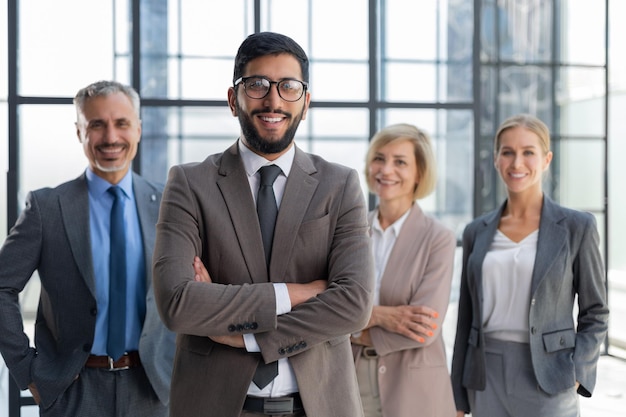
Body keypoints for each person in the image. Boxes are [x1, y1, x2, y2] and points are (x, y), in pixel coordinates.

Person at [152, 31, 374, 417]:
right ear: (233, 99)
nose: (273, 100)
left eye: (288, 86)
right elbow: (177, 303)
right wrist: (297, 293)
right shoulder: (189, 183)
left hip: (319, 405)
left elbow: (354, 305)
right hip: (214, 406)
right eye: (257, 85)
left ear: (306, 103)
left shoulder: (340, 185)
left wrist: (246, 339)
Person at [0, 80, 176, 417]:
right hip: (73, 392)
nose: (111, 137)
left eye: (121, 123)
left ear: (138, 129)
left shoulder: (169, 204)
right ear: (79, 132)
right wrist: (28, 371)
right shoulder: (47, 208)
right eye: (96, 125)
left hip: (153, 391)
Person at [450, 114, 609, 417]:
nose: (516, 162)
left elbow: (596, 311)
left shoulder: (577, 227)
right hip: (485, 374)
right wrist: (457, 394)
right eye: (507, 152)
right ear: (496, 160)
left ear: (547, 159)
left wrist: (578, 369)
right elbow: (465, 317)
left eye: (528, 152)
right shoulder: (476, 231)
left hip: (549, 373)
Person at [350, 123, 457, 417]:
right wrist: (383, 316)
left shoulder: (438, 238)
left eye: (400, 162)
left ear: (419, 173)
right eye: (379, 158)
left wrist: (352, 330)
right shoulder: (348, 232)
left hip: (416, 389)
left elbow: (423, 329)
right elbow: (328, 311)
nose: (386, 170)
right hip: (351, 381)